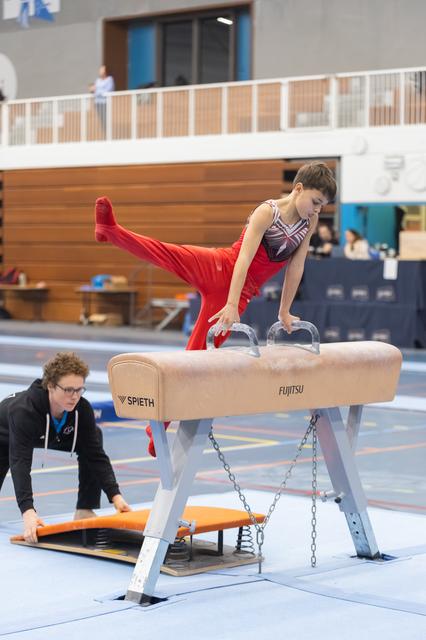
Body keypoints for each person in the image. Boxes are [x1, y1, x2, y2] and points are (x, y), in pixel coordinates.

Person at [94, 161, 337, 456]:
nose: (317, 210)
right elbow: (244, 260)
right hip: (221, 267)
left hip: (240, 293)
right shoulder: (267, 212)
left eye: (322, 205)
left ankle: (158, 425)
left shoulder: (307, 223)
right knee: (167, 253)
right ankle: (110, 231)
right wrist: (231, 305)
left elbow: (296, 266)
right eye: (315, 202)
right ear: (298, 189)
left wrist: (283, 311)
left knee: (195, 359)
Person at [0, 352, 130, 543]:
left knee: (92, 438)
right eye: (68, 390)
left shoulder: (82, 409)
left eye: (79, 389)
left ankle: (85, 508)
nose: (75, 396)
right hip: (4, 437)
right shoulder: (24, 410)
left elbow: (95, 455)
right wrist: (28, 513)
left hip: (51, 433)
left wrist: (116, 496)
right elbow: (20, 463)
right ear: (51, 386)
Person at [89, 65, 115, 132]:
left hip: (105, 102)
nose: (100, 72)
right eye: (100, 70)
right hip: (97, 102)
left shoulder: (109, 79)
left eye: (102, 70)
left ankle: (108, 132)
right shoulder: (97, 80)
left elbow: (108, 90)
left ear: (105, 71)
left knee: (106, 117)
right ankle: (105, 131)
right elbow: (94, 90)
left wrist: (98, 91)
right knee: (101, 118)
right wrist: (95, 90)